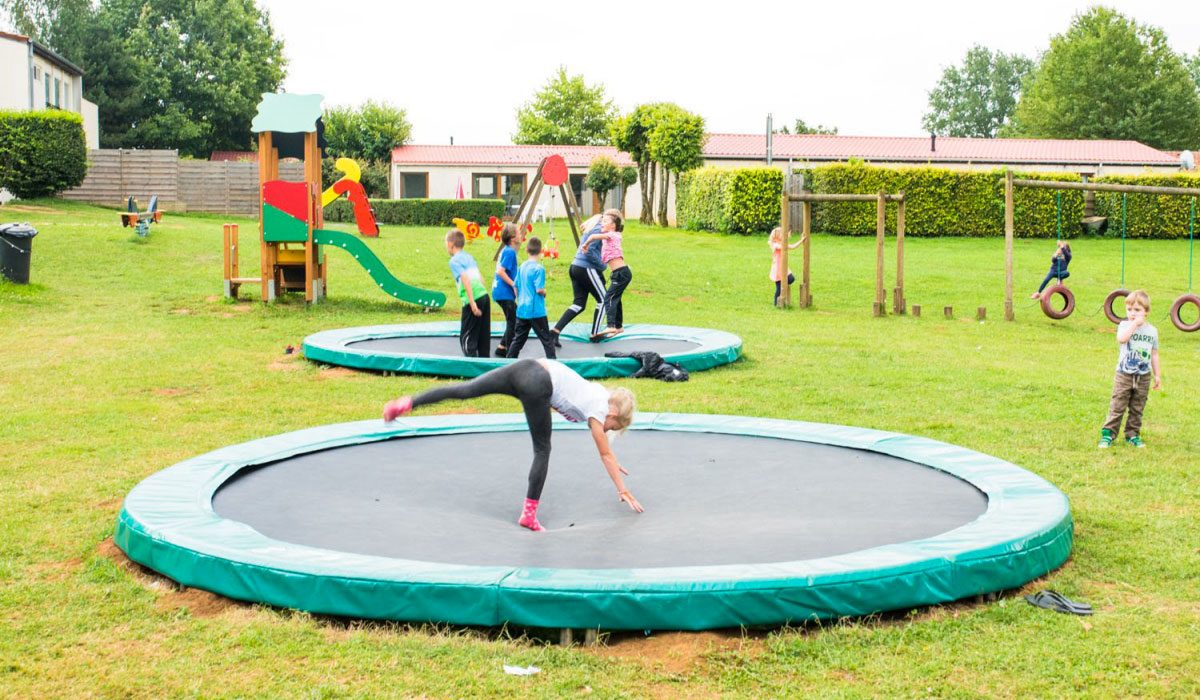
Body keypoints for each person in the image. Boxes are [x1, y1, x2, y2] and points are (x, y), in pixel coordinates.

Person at [381, 360, 642, 531]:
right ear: (613, 415)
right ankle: (529, 514)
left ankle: (405, 404)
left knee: (466, 389)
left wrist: (613, 460)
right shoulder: (599, 410)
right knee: (543, 449)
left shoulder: (598, 392)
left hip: (526, 367)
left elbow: (606, 450)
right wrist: (624, 490)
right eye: (613, 428)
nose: (607, 431)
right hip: (538, 382)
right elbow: (604, 453)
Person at [1098, 290, 1162, 448]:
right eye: (1130, 310)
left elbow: (1154, 354)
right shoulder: (1125, 325)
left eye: (1137, 310)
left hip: (1143, 375)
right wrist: (1134, 324)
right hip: (1124, 374)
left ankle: (1132, 435)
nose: (1133, 313)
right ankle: (1108, 435)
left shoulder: (1152, 331)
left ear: (1146, 312)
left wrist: (1157, 374)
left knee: (1137, 406)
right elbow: (1122, 339)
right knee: (1118, 404)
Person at [551, 214, 607, 347]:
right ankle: (595, 334)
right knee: (605, 300)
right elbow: (589, 251)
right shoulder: (599, 229)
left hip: (575, 267)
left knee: (579, 304)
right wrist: (602, 266)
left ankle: (555, 331)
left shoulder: (592, 228)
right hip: (585, 268)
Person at [507, 236, 557, 359]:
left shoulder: (522, 266)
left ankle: (508, 362)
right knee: (546, 339)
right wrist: (545, 292)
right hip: (536, 312)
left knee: (518, 340)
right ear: (541, 251)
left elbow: (515, 286)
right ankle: (553, 364)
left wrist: (519, 299)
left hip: (522, 310)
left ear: (526, 250)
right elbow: (539, 289)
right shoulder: (539, 269)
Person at [584, 209, 630, 340]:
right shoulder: (609, 235)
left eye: (605, 222)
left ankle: (611, 325)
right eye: (601, 222)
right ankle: (619, 326)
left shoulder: (613, 235)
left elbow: (593, 237)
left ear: (613, 226)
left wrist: (586, 244)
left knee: (608, 297)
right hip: (620, 273)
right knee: (616, 298)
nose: (601, 224)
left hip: (621, 273)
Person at [445, 228, 490, 357]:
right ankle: (484, 363)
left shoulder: (454, 261)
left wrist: (472, 303)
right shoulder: (468, 257)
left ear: (450, 244)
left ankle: (470, 364)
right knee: (482, 335)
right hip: (484, 296)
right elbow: (481, 278)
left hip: (474, 298)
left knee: (466, 336)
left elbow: (465, 279)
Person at [491, 224, 521, 357]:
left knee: (512, 319)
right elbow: (501, 271)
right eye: (519, 233)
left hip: (500, 291)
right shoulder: (509, 252)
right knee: (513, 320)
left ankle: (502, 347)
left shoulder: (506, 250)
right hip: (504, 292)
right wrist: (514, 284)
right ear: (513, 238)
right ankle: (509, 351)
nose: (521, 235)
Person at [769, 226, 804, 306]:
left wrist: (801, 240)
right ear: (776, 237)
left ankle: (781, 296)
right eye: (781, 234)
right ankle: (776, 303)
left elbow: (792, 246)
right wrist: (787, 237)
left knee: (791, 279)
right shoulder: (775, 245)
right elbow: (781, 247)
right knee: (779, 287)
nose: (783, 235)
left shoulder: (782, 244)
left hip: (783, 268)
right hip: (778, 269)